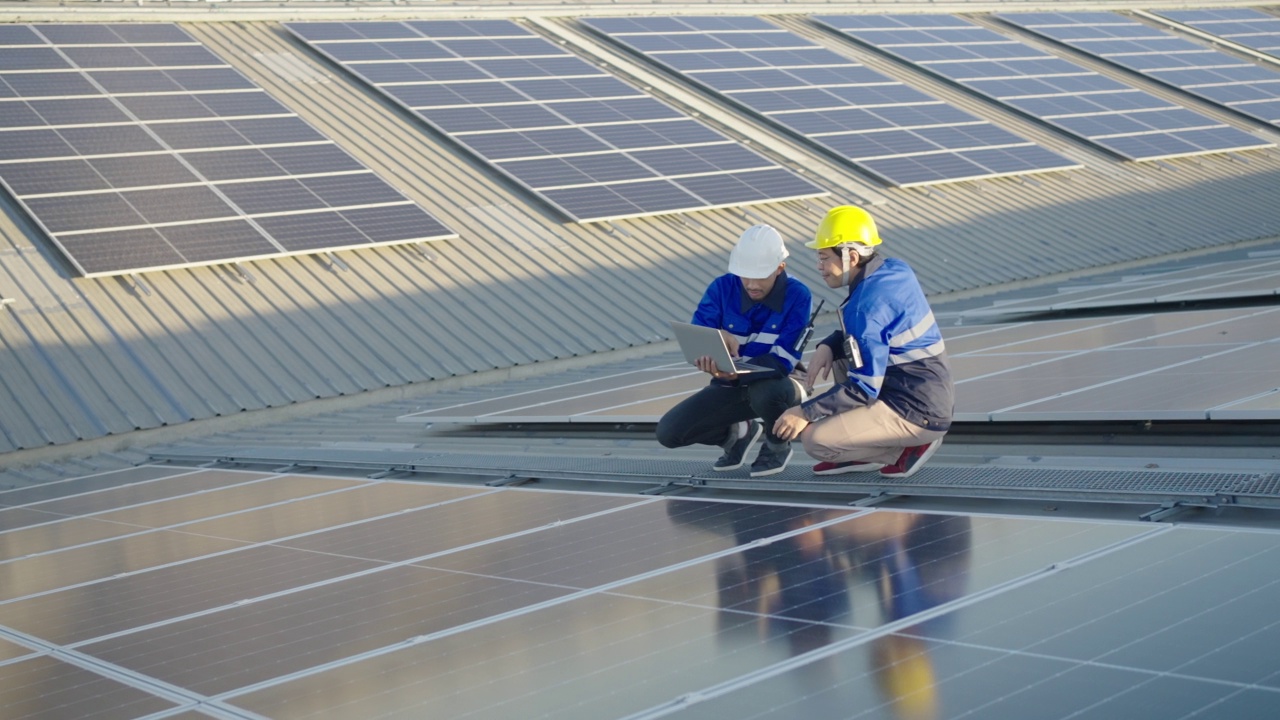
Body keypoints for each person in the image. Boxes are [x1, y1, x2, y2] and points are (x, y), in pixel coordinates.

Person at [773, 206, 953, 479]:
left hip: (918, 412)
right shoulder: (894, 269)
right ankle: (863, 445)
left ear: (851, 257)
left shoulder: (864, 309)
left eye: (823, 258)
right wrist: (829, 345)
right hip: (929, 392)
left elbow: (863, 389)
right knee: (844, 352)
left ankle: (904, 449)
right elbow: (875, 332)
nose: (819, 267)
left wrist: (803, 412)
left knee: (814, 440)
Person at [656, 224, 813, 477]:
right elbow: (699, 337)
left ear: (779, 268)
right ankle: (738, 434)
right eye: (744, 276)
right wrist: (716, 341)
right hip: (731, 385)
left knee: (765, 392)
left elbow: (783, 360)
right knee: (670, 432)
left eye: (759, 276)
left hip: (781, 385)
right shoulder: (722, 288)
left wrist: (736, 372)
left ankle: (776, 445)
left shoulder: (798, 295)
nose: (750, 284)